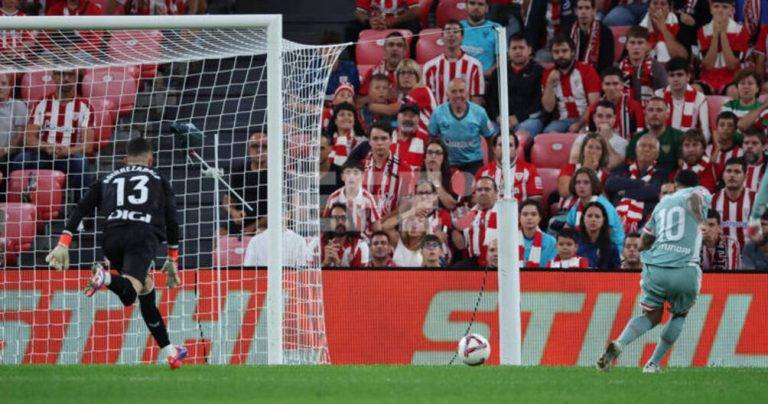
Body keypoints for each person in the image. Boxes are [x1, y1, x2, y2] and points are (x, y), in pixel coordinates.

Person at [44, 137, 187, 369]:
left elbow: (81, 208)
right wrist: (172, 257)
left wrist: (63, 242)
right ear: (151, 160)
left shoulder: (107, 178)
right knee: (130, 291)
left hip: (112, 238)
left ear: (125, 160)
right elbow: (172, 219)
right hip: (142, 236)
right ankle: (105, 277)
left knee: (141, 290)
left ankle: (170, 351)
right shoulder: (159, 179)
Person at [597, 170, 710, 373]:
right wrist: (700, 219)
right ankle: (653, 363)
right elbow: (695, 197)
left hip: (656, 269)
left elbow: (646, 239)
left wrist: (639, 251)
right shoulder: (699, 192)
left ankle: (620, 343)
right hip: (685, 268)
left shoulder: (662, 204)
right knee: (679, 315)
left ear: (675, 184)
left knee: (652, 315)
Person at [11, 69, 94, 197]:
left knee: (81, 162)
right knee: (19, 160)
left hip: (69, 157)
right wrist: (48, 147)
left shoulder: (85, 106)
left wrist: (68, 151)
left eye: (70, 74)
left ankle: (81, 207)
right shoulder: (42, 103)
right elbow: (29, 140)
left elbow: (88, 146)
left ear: (76, 78)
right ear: (53, 77)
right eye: (61, 74)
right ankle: (18, 201)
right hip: (43, 154)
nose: (66, 78)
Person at [427, 77, 495, 174]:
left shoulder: (479, 112)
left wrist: (491, 165)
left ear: (467, 93)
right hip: (448, 163)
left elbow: (490, 138)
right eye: (454, 92)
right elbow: (431, 139)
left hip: (473, 163)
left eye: (461, 91)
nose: (458, 95)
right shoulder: (438, 113)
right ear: (447, 94)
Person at [486, 33, 545, 140]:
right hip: (500, 121)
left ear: (529, 50)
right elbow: (490, 100)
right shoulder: (498, 72)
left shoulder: (539, 72)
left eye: (521, 48)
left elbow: (539, 104)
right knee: (489, 132)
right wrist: (498, 117)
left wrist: (518, 118)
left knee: (520, 136)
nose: (517, 51)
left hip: (528, 120)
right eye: (514, 48)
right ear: (508, 51)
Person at [606, 134, 669, 234]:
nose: (646, 149)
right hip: (616, 218)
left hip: (645, 224)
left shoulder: (661, 173)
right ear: (636, 150)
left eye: (651, 147)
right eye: (643, 145)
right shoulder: (624, 168)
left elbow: (652, 191)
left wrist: (624, 193)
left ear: (657, 154)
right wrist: (640, 183)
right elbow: (610, 183)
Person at [540, 33, 601, 134]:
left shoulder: (587, 70)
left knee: (582, 137)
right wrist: (549, 83)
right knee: (548, 136)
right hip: (561, 121)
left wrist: (579, 124)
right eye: (556, 52)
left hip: (586, 119)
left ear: (572, 52)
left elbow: (594, 103)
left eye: (564, 51)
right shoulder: (548, 74)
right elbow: (548, 108)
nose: (560, 55)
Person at [423, 21, 485, 105]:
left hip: (466, 113)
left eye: (455, 31)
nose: (451, 34)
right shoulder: (430, 67)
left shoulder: (475, 66)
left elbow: (476, 100)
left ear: (462, 37)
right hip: (439, 113)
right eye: (448, 31)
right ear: (442, 37)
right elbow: (428, 100)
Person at [696, 0, 751, 95]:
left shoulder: (741, 31)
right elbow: (708, 66)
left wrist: (722, 33)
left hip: (732, 78)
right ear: (711, 9)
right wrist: (715, 35)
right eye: (716, 6)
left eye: (725, 7)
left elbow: (732, 66)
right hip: (708, 78)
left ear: (732, 10)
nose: (720, 10)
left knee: (734, 91)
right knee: (695, 89)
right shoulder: (702, 31)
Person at [565, 167, 626, 251]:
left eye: (586, 182)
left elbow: (606, 237)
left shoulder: (604, 205)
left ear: (593, 185)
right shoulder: (576, 205)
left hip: (612, 251)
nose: (581, 186)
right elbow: (566, 231)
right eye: (578, 182)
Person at [220, 132, 268, 236]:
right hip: (242, 221)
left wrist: (254, 226)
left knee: (261, 235)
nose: (259, 150)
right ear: (248, 149)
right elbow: (227, 201)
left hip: (266, 223)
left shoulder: (276, 174)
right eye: (255, 146)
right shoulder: (240, 171)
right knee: (220, 234)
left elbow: (282, 212)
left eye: (264, 146)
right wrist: (234, 212)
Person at [361, 121, 413, 218]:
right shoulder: (359, 168)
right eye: (375, 139)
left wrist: (381, 223)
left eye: (384, 138)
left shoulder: (404, 169)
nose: (379, 143)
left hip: (390, 223)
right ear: (369, 141)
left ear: (391, 140)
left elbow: (405, 206)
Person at [475, 133, 543, 202]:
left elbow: (536, 198)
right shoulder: (483, 172)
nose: (505, 148)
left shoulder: (529, 170)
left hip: (519, 209)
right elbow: (474, 199)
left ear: (516, 149)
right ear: (494, 149)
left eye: (510, 145)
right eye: (501, 145)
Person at [654, 57, 710, 140]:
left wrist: (696, 145)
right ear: (667, 78)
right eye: (672, 75)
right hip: (663, 142)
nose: (675, 79)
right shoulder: (658, 95)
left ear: (688, 77)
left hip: (689, 143)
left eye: (679, 75)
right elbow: (651, 125)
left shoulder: (699, 98)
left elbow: (705, 132)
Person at [557, 133, 611, 216]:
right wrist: (586, 168)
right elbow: (564, 192)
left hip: (592, 216)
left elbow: (605, 203)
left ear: (602, 153)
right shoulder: (570, 168)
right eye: (590, 147)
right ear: (583, 150)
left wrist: (592, 174)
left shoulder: (605, 175)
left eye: (598, 148)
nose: (593, 151)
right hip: (567, 213)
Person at [324, 159, 382, 236]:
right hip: (340, 238)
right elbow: (326, 221)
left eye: (356, 173)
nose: (351, 176)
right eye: (348, 172)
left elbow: (376, 225)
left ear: (362, 176)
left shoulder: (368, 198)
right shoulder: (334, 197)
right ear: (342, 177)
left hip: (362, 239)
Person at [625, 96, 683, 171]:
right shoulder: (636, 138)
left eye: (659, 110)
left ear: (667, 115)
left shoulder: (679, 137)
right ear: (645, 114)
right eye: (650, 110)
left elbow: (683, 166)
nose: (654, 114)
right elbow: (629, 165)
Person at [585, 69, 644, 142]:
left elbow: (639, 134)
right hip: (600, 146)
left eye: (615, 84)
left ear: (622, 85)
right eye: (607, 84)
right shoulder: (594, 107)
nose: (611, 88)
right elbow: (588, 133)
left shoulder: (634, 106)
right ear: (602, 86)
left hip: (627, 147)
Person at [452, 176, 498, 267]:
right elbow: (462, 243)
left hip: (498, 260)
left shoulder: (505, 213)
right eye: (479, 190)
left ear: (496, 193)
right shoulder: (468, 215)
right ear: (475, 193)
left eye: (487, 189)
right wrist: (454, 231)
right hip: (474, 261)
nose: (483, 192)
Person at [618, 26, 668, 105]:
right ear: (626, 45)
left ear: (647, 45)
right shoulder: (618, 68)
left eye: (640, 43)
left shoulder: (657, 68)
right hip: (624, 110)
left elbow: (665, 96)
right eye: (632, 42)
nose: (636, 47)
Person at [712, 156, 756, 247]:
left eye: (737, 172)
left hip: (749, 253)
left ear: (745, 176)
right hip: (721, 253)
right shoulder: (713, 200)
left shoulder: (755, 199)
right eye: (728, 171)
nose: (732, 175)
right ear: (723, 175)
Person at [573, 100, 628, 169]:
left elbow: (611, 165)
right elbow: (574, 161)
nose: (604, 120)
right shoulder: (582, 138)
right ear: (594, 118)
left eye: (608, 116)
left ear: (614, 118)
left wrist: (604, 138)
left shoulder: (623, 143)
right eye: (600, 116)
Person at [358, 32, 406, 105]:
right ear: (384, 49)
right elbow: (359, 103)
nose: (395, 48)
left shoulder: (413, 72)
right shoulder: (372, 73)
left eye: (399, 45)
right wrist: (375, 96)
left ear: (404, 50)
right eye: (391, 45)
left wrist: (402, 96)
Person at [567, 0, 614, 74]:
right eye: (580, 8)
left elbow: (607, 64)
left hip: (596, 76)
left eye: (587, 8)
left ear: (594, 11)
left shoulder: (605, 33)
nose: (583, 12)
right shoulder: (568, 31)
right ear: (576, 11)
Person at [321, 202, 370, 267]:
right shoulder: (318, 244)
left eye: (344, 218)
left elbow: (362, 274)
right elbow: (310, 272)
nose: (340, 222)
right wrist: (325, 263)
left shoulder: (360, 246)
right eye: (335, 218)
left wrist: (338, 264)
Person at [460, 0, 500, 77]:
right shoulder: (457, 27)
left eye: (480, 4)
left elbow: (502, 59)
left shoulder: (496, 28)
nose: (476, 7)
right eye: (472, 3)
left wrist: (487, 73)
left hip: (486, 79)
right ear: (466, 6)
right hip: (458, 79)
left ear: (487, 8)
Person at [577, 201, 622, 269]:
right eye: (589, 216)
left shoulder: (611, 247)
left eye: (597, 216)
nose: (593, 219)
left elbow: (617, 272)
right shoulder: (575, 245)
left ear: (603, 220)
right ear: (583, 218)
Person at [420, 139, 458, 210]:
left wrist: (435, 180)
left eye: (438, 153)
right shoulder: (417, 173)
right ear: (425, 156)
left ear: (444, 157)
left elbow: (451, 205)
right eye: (430, 152)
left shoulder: (454, 174)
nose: (433, 156)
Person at [676, 129, 718, 193]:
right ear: (681, 149)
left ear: (703, 148)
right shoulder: (677, 173)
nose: (691, 149)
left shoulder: (716, 170)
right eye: (687, 145)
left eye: (695, 145)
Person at [0, 72, 25, 178]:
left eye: (3, 83)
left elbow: (20, 138)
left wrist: (5, 150)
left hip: (9, 154)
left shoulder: (17, 105)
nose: (0, 87)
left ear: (10, 87)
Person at [326, 102, 366, 168]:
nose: (346, 117)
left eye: (350, 115)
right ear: (335, 121)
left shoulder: (362, 141)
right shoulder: (327, 141)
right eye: (342, 115)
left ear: (354, 120)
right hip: (330, 174)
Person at [519, 199, 556, 268]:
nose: (529, 218)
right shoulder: (511, 241)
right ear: (519, 217)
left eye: (533, 214)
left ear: (540, 218)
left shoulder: (551, 242)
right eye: (525, 214)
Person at [390, 102, 429, 168]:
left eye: (412, 116)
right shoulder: (387, 136)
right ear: (398, 116)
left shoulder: (426, 139)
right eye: (404, 115)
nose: (407, 119)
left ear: (418, 119)